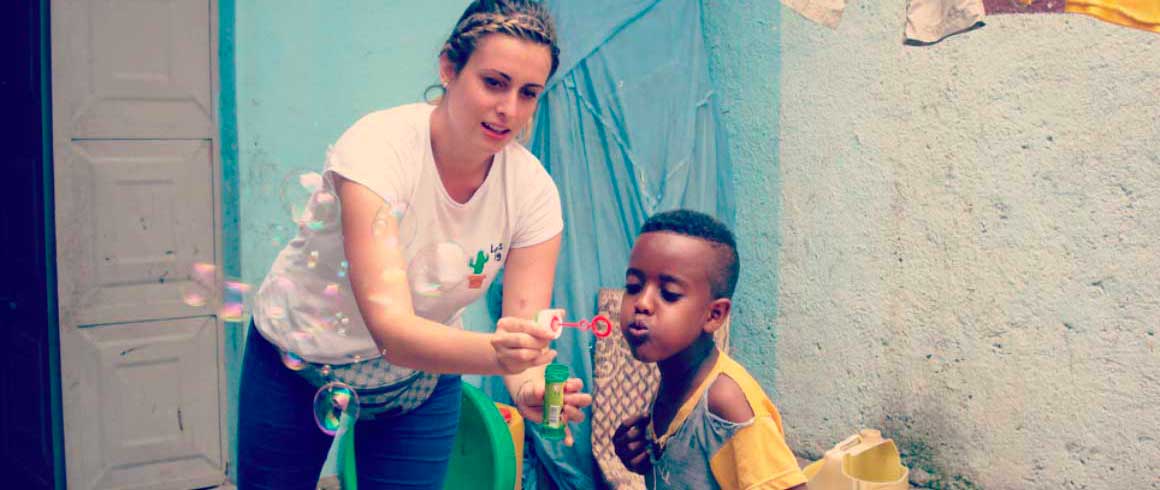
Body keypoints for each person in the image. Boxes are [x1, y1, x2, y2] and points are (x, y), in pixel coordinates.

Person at [236, 1, 591, 488]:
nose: (510, 109)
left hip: (421, 383)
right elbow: (393, 330)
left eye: (529, 93)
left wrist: (530, 385)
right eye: (494, 82)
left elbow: (521, 336)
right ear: (449, 66)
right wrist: (501, 355)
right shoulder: (377, 149)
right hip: (299, 362)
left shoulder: (534, 194)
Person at [612, 210, 807, 490]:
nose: (641, 303)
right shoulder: (676, 378)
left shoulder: (726, 403)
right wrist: (645, 456)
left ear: (714, 315)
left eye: (669, 294)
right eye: (633, 286)